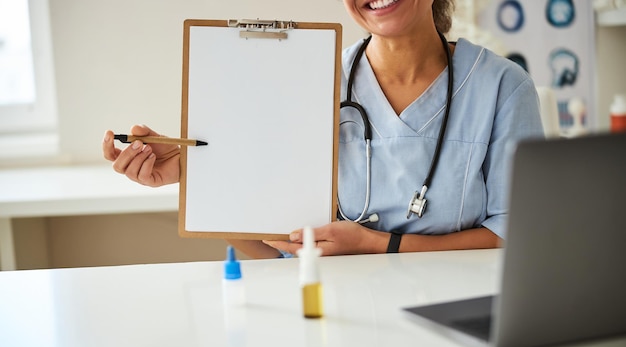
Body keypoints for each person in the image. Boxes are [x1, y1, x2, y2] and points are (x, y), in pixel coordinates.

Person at [102, 0, 544, 259]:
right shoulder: (304, 80)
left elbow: (517, 237)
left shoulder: (503, 88)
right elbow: (275, 255)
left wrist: (378, 246)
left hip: (461, 316)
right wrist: (202, 175)